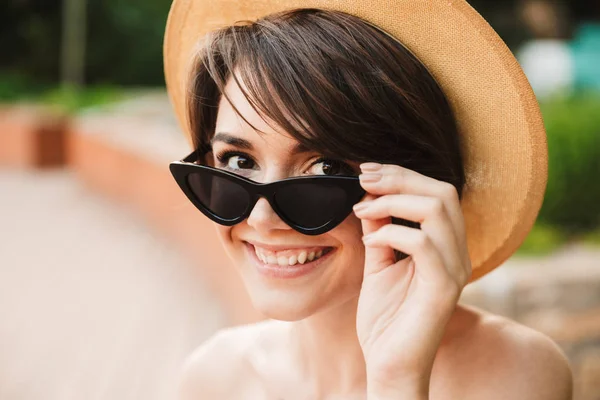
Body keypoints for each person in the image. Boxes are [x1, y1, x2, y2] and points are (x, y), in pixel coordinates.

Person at [164, 2, 573, 399]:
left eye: (326, 168)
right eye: (239, 160)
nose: (262, 217)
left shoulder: (514, 374)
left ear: (416, 188)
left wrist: (397, 381)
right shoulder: (214, 377)